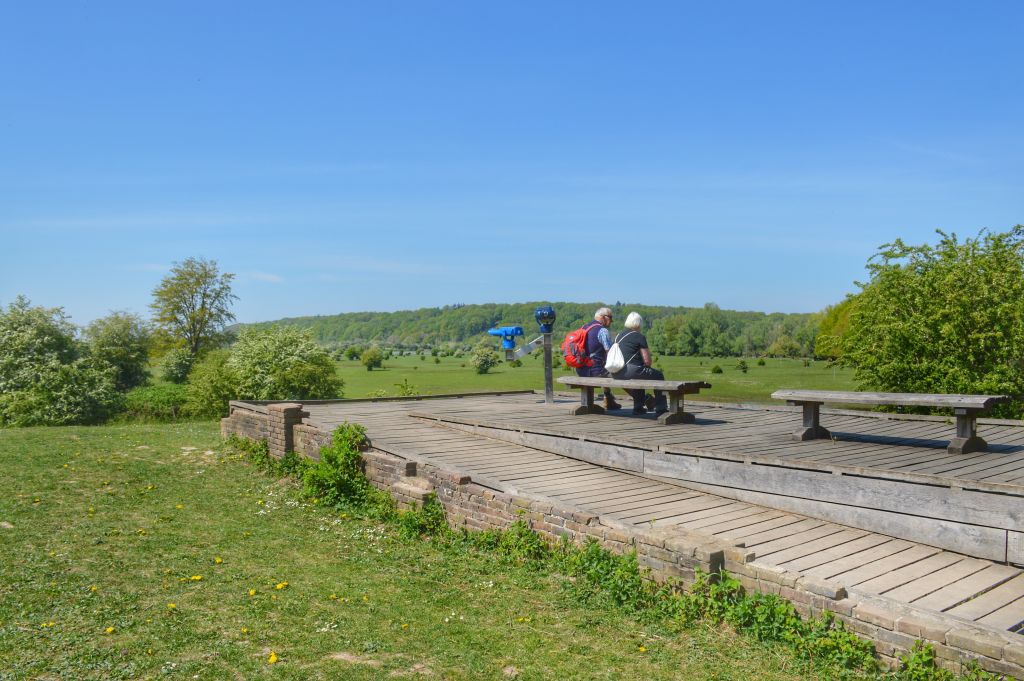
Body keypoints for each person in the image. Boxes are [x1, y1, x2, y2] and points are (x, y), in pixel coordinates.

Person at [610, 312, 667, 415]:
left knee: (639, 375)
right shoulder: (639, 336)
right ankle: (661, 408)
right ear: (638, 324)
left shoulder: (618, 336)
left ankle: (638, 407)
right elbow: (647, 361)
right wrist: (645, 365)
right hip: (630, 370)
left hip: (616, 371)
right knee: (659, 376)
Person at [576, 307, 622, 410]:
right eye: (610, 318)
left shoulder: (583, 327)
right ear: (603, 317)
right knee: (622, 374)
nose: (611, 321)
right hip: (595, 371)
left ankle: (608, 399)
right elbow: (610, 353)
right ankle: (640, 400)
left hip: (581, 370)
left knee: (603, 369)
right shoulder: (602, 330)